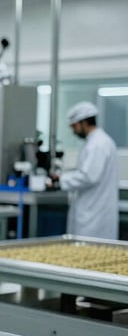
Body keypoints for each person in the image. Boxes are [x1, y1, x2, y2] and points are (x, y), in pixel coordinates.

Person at [50, 101, 118, 240]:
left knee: (90, 252)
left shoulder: (97, 144)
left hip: (93, 215)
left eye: (74, 126)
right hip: (95, 209)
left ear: (84, 123)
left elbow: (88, 176)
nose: (73, 131)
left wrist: (61, 179)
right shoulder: (100, 141)